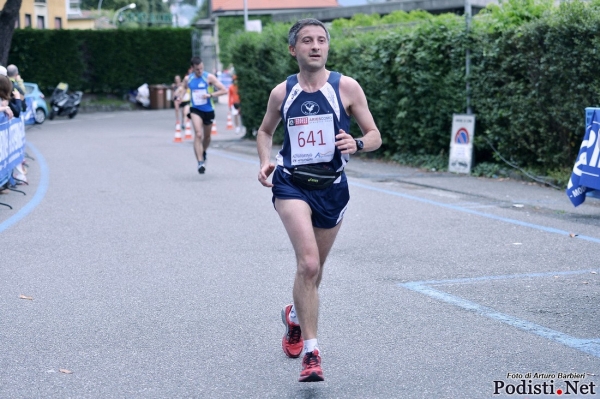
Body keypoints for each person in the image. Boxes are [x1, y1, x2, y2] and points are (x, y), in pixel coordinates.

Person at [256, 19, 382, 382]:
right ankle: (312, 354)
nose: (315, 46)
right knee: (308, 265)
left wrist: (356, 143)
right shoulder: (283, 93)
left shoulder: (347, 87)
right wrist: (265, 160)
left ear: (327, 47)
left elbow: (374, 135)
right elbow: (265, 131)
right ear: (293, 49)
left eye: (321, 40)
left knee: (315, 272)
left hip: (332, 188)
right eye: (307, 41)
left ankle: (295, 317)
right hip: (291, 184)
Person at [181, 57, 227, 174]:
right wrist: (180, 95)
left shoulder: (209, 77)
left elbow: (224, 90)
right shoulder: (188, 79)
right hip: (195, 109)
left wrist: (210, 95)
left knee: (207, 137)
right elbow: (183, 88)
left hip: (208, 110)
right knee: (198, 133)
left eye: (201, 68)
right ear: (192, 69)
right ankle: (200, 162)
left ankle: (203, 151)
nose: (200, 71)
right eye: (197, 69)